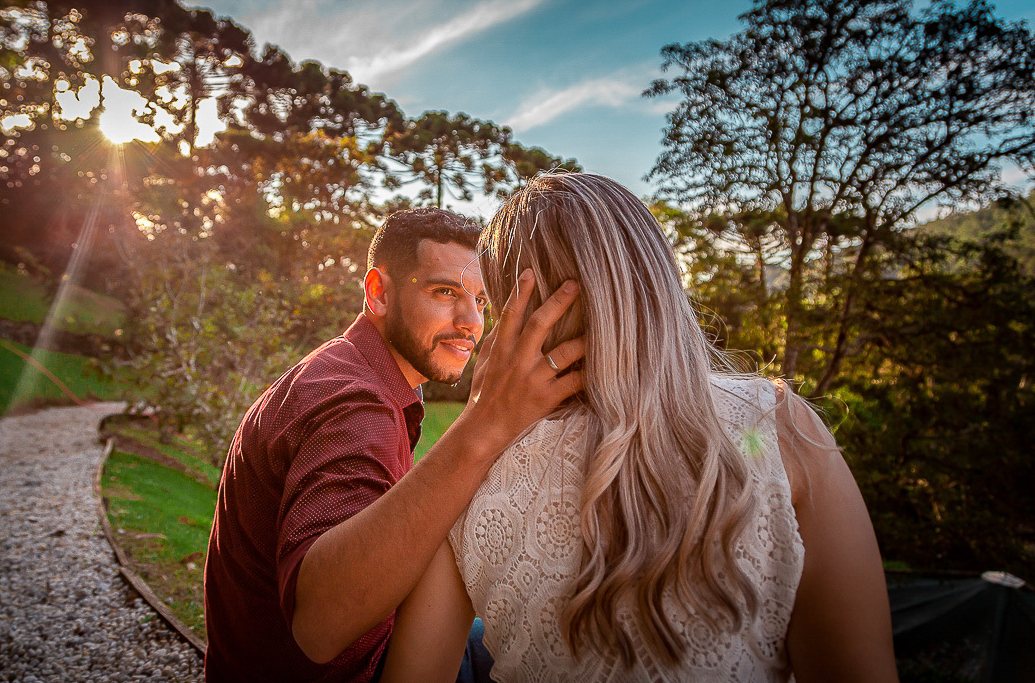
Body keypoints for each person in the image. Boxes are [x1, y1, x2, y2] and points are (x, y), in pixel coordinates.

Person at [380, 174, 899, 683]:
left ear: (519, 310)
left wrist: (477, 426)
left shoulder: (471, 474)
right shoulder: (778, 423)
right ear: (655, 279)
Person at [202, 207, 585, 682]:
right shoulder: (355, 403)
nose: (471, 321)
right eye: (445, 292)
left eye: (482, 302)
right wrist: (485, 423)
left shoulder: (350, 371)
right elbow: (321, 625)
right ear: (379, 293)